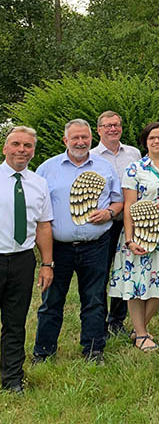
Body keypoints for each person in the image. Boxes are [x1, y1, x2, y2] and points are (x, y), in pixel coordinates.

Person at [33, 119, 123, 365]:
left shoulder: (105, 168)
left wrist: (109, 213)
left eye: (84, 137)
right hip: (58, 248)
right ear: (65, 141)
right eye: (75, 138)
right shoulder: (47, 169)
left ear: (91, 139)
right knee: (51, 301)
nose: (80, 142)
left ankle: (93, 350)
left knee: (94, 299)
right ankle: (44, 352)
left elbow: (118, 201)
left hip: (96, 245)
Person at [108, 122, 159, 352]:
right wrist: (130, 239)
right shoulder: (135, 169)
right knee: (136, 283)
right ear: (145, 142)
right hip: (140, 233)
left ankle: (138, 328)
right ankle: (141, 334)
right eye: (152, 138)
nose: (157, 141)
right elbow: (129, 206)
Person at [0, 126, 53, 393]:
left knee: (15, 322)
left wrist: (47, 264)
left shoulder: (38, 183)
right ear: (5, 148)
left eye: (28, 146)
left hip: (22, 261)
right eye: (16, 144)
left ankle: (12, 379)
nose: (22, 149)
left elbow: (43, 225)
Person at [91, 110, 141, 337]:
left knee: (124, 271)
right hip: (104, 223)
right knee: (101, 272)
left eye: (117, 125)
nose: (113, 129)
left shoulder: (133, 153)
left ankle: (117, 320)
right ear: (99, 130)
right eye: (108, 125)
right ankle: (98, 319)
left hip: (129, 222)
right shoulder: (91, 156)